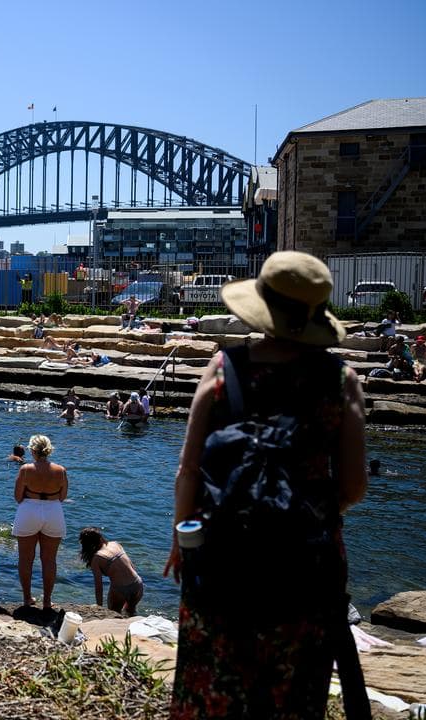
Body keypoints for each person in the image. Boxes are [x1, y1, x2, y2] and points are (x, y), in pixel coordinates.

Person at [162, 251, 368, 718]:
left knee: (211, 686)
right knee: (293, 697)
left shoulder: (223, 368)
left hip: (219, 557)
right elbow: (353, 486)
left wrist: (181, 536)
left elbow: (188, 471)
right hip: (308, 569)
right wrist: (301, 511)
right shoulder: (341, 381)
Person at [12, 434, 68, 609]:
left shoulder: (26, 469)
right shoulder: (61, 470)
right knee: (49, 559)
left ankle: (27, 598)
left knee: (25, 559)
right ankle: (46, 601)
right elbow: (63, 496)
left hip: (29, 510)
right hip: (53, 511)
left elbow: (18, 497)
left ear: (32, 450)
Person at [79, 527, 144, 616]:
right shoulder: (115, 544)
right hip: (137, 584)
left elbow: (99, 586)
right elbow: (132, 566)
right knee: (130, 613)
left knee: (113, 615)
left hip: (120, 590)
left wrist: (99, 607)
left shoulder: (97, 558)